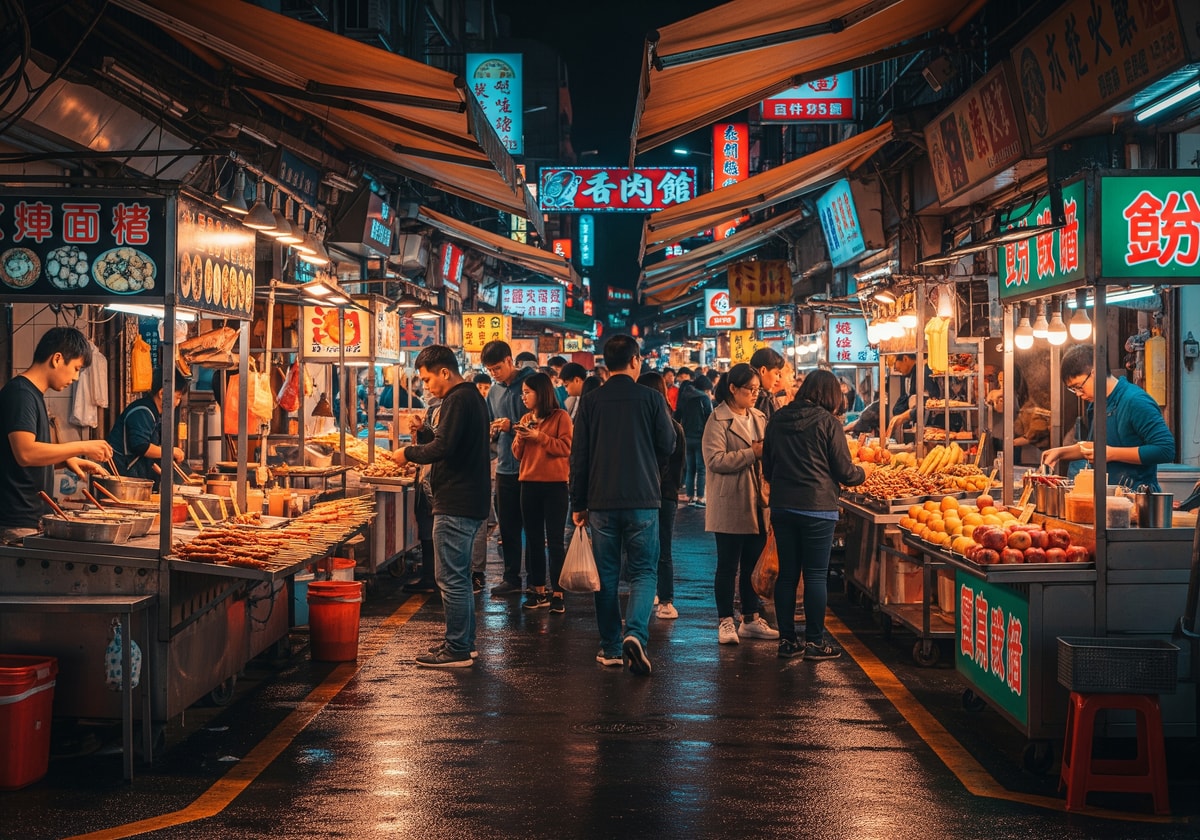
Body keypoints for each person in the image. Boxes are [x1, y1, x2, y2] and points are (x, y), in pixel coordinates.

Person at [570, 334, 675, 675]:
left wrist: (578, 502)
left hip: (600, 501)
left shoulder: (591, 401)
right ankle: (636, 635)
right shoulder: (651, 398)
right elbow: (668, 444)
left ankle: (611, 648)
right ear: (635, 361)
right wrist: (649, 467)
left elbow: (579, 456)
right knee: (644, 571)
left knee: (607, 576)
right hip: (643, 499)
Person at [391, 345, 491, 667]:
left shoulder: (457, 399)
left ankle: (458, 648)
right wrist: (425, 433)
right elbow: (449, 441)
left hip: (456, 502)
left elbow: (444, 448)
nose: (426, 386)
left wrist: (407, 454)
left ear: (444, 372)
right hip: (468, 499)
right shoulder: (470, 397)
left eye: (427, 379)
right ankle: (463, 643)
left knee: (451, 579)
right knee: (458, 577)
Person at [764, 369, 866, 660]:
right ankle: (815, 643)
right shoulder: (828, 422)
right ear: (830, 394)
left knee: (787, 575)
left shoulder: (778, 418)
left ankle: (787, 642)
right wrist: (863, 473)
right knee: (815, 576)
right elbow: (845, 471)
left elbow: (768, 469)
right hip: (818, 509)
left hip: (783, 507)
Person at [0, 326, 113, 542]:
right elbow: (25, 453)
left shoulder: (32, 395)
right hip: (15, 524)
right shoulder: (20, 394)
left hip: (29, 520)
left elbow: (23, 459)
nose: (76, 377)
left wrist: (67, 460)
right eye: (76, 368)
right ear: (57, 359)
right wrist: (83, 446)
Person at [702, 363, 778, 646]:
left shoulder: (759, 417)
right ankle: (725, 621)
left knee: (752, 566)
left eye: (757, 389)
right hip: (730, 501)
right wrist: (751, 453)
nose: (755, 394)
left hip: (758, 502)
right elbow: (715, 461)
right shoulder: (717, 420)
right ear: (733, 389)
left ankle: (750, 619)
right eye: (749, 389)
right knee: (727, 566)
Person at [1041, 343, 1175, 491]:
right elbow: (1096, 448)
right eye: (1073, 389)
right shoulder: (1097, 404)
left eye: (1079, 386)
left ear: (1095, 373)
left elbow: (1165, 449)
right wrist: (1060, 452)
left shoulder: (1135, 401)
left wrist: (1111, 454)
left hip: (1138, 499)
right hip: (1107, 498)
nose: (1078, 394)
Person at [512, 372, 572, 613]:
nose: (523, 396)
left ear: (542, 393)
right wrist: (521, 435)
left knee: (555, 541)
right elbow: (517, 454)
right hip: (528, 485)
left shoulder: (561, 417)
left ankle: (558, 592)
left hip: (555, 486)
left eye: (527, 392)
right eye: (523, 392)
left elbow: (565, 448)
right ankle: (538, 591)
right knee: (534, 540)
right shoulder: (527, 417)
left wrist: (539, 436)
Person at [482, 340, 538, 597]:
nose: (494, 373)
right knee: (508, 527)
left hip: (533, 468)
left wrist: (511, 426)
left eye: (497, 367)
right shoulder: (493, 392)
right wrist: (494, 430)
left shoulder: (533, 384)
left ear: (509, 360)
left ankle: (538, 581)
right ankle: (512, 578)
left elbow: (544, 423)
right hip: (505, 467)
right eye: (490, 369)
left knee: (535, 527)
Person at [638, 371, 685, 620]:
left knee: (644, 547)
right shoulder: (675, 426)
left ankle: (657, 594)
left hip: (644, 495)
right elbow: (680, 468)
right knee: (662, 547)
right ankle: (664, 599)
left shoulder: (641, 428)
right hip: (666, 495)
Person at [106, 369, 188, 485]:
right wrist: (171, 452)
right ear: (162, 393)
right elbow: (141, 446)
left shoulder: (153, 412)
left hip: (132, 475)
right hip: (123, 476)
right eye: (178, 397)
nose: (178, 402)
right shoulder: (143, 411)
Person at [674, 367, 712, 507]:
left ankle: (690, 497)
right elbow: (709, 418)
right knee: (701, 469)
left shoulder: (685, 397)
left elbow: (678, 416)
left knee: (690, 468)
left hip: (687, 438)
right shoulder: (704, 399)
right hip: (701, 437)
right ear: (705, 388)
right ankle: (700, 498)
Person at [749, 347, 786, 422]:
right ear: (763, 371)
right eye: (776, 373)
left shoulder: (742, 394)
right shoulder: (766, 398)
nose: (778, 379)